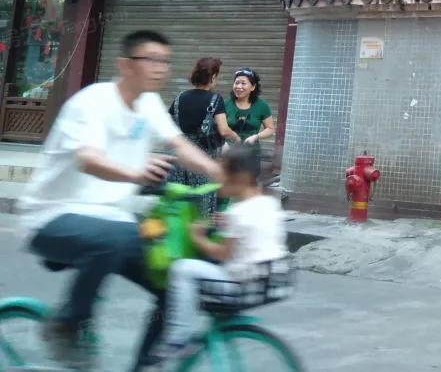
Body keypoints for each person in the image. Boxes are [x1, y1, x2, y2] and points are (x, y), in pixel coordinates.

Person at [20, 29, 224, 371]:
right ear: (125, 65)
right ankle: (66, 325)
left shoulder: (149, 105)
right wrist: (136, 173)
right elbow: (88, 159)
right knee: (117, 237)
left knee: (176, 280)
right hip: (52, 217)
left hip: (116, 223)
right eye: (152, 59)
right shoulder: (92, 102)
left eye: (165, 61)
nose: (160, 68)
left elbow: (180, 146)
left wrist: (220, 174)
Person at [152, 143, 289, 361]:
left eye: (223, 172)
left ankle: (178, 339)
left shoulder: (238, 211)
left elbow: (222, 254)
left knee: (182, 269)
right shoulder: (269, 204)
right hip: (273, 279)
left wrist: (197, 237)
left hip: (243, 284)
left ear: (240, 177)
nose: (217, 178)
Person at [167, 57, 236, 217]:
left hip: (179, 157)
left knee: (178, 203)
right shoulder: (215, 99)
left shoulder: (179, 98)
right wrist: (235, 137)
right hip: (201, 160)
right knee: (200, 205)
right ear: (213, 77)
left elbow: (167, 125)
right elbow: (224, 130)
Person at [224, 69, 275, 175]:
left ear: (253, 87)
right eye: (236, 83)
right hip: (228, 153)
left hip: (251, 154)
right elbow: (218, 127)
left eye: (243, 83)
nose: (239, 86)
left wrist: (256, 136)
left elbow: (270, 129)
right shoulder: (225, 104)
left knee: (249, 183)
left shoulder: (262, 105)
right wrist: (224, 143)